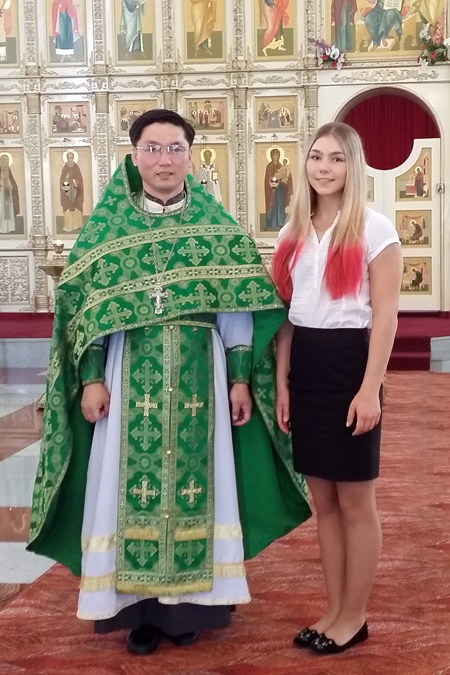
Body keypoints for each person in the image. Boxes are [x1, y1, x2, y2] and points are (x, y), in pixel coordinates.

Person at [27, 109, 311, 656]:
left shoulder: (216, 228)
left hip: (201, 378)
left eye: (175, 148)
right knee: (123, 486)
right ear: (134, 156)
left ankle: (191, 610)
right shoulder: (108, 231)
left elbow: (235, 308)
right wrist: (91, 379)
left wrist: (239, 380)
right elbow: (88, 315)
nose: (164, 159)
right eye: (152, 149)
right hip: (127, 376)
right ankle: (137, 612)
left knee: (202, 488)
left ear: (190, 156)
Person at [272, 122, 402, 654]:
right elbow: (285, 318)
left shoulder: (375, 229)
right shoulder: (292, 233)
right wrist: (282, 382)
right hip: (305, 365)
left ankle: (354, 615)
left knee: (354, 500)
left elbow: (387, 315)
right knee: (323, 501)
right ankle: (332, 611)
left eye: (336, 159)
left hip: (350, 365)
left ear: (353, 166)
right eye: (316, 157)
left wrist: (370, 389)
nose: (323, 168)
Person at [264, 147, 293, 231]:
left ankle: (281, 222)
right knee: (273, 205)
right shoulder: (269, 166)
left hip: (280, 190)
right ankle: (271, 223)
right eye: (274, 155)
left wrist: (285, 178)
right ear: (271, 156)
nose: (276, 157)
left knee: (280, 205)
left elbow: (287, 175)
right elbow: (268, 178)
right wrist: (272, 182)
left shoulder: (282, 166)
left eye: (277, 155)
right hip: (272, 191)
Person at [60, 151, 84, 232]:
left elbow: (79, 179)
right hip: (67, 190)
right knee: (67, 206)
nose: (70, 159)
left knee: (77, 206)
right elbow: (62, 179)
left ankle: (78, 225)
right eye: (68, 158)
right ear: (67, 158)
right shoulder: (65, 168)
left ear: (73, 158)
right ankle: (68, 226)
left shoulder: (76, 167)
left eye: (71, 158)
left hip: (76, 190)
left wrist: (75, 182)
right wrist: (66, 182)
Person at [0, 153, 19, 234]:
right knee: (1, 210)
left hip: (8, 193)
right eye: (4, 160)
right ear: (1, 161)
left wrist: (12, 186)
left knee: (9, 211)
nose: (6, 162)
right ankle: (1, 228)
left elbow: (12, 180)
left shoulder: (8, 170)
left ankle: (10, 227)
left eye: (7, 160)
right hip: (1, 194)